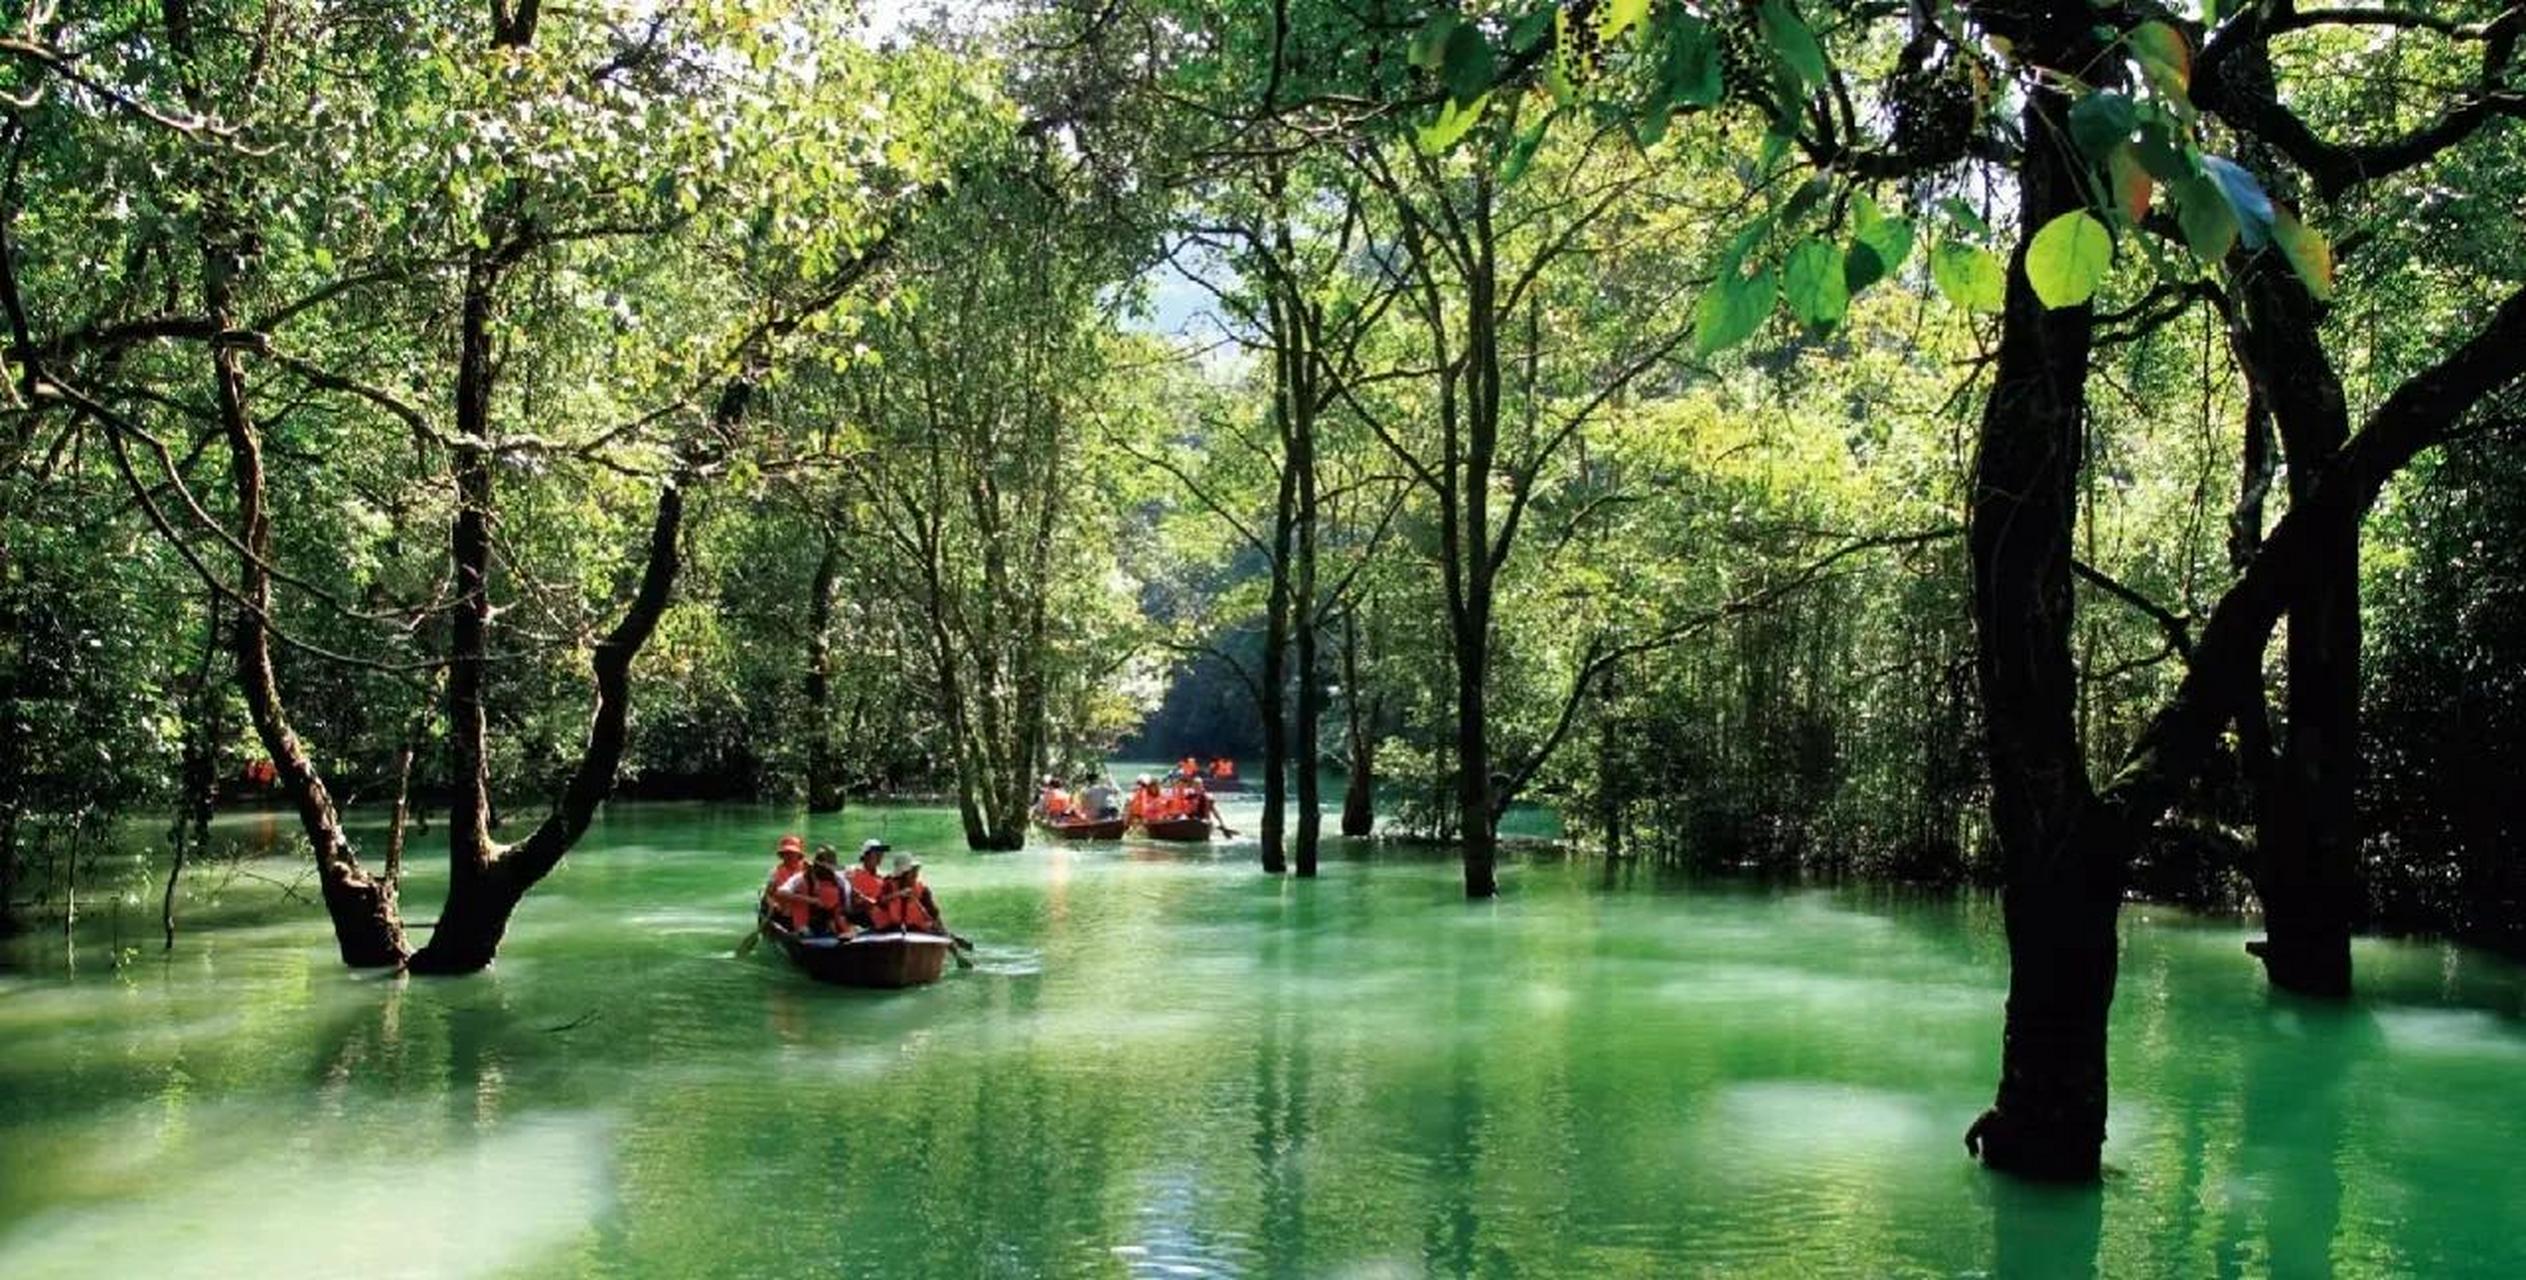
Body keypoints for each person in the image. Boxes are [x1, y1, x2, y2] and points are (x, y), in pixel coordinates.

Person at [770, 848, 852, 937]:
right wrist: (812, 900)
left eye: (828, 868)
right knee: (806, 931)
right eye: (822, 867)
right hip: (804, 924)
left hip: (830, 922)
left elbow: (846, 907)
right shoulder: (800, 878)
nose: (825, 871)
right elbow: (780, 893)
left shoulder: (840, 881)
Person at [871, 853, 943, 933]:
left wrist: (940, 929)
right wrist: (898, 894)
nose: (915, 875)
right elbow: (879, 901)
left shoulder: (922, 890)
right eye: (912, 872)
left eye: (916, 871)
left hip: (916, 928)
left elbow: (934, 913)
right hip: (890, 928)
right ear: (902, 874)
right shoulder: (888, 885)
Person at [761, 834, 807, 920]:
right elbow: (768, 894)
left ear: (798, 854)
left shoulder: (808, 868)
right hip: (784, 910)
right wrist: (773, 905)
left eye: (792, 853)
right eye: (786, 853)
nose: (788, 856)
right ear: (782, 855)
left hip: (804, 906)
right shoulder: (776, 872)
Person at [846, 839, 889, 925]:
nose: (880, 857)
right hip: (861, 917)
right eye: (876, 854)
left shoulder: (882, 877)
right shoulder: (854, 874)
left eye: (881, 854)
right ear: (866, 856)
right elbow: (856, 902)